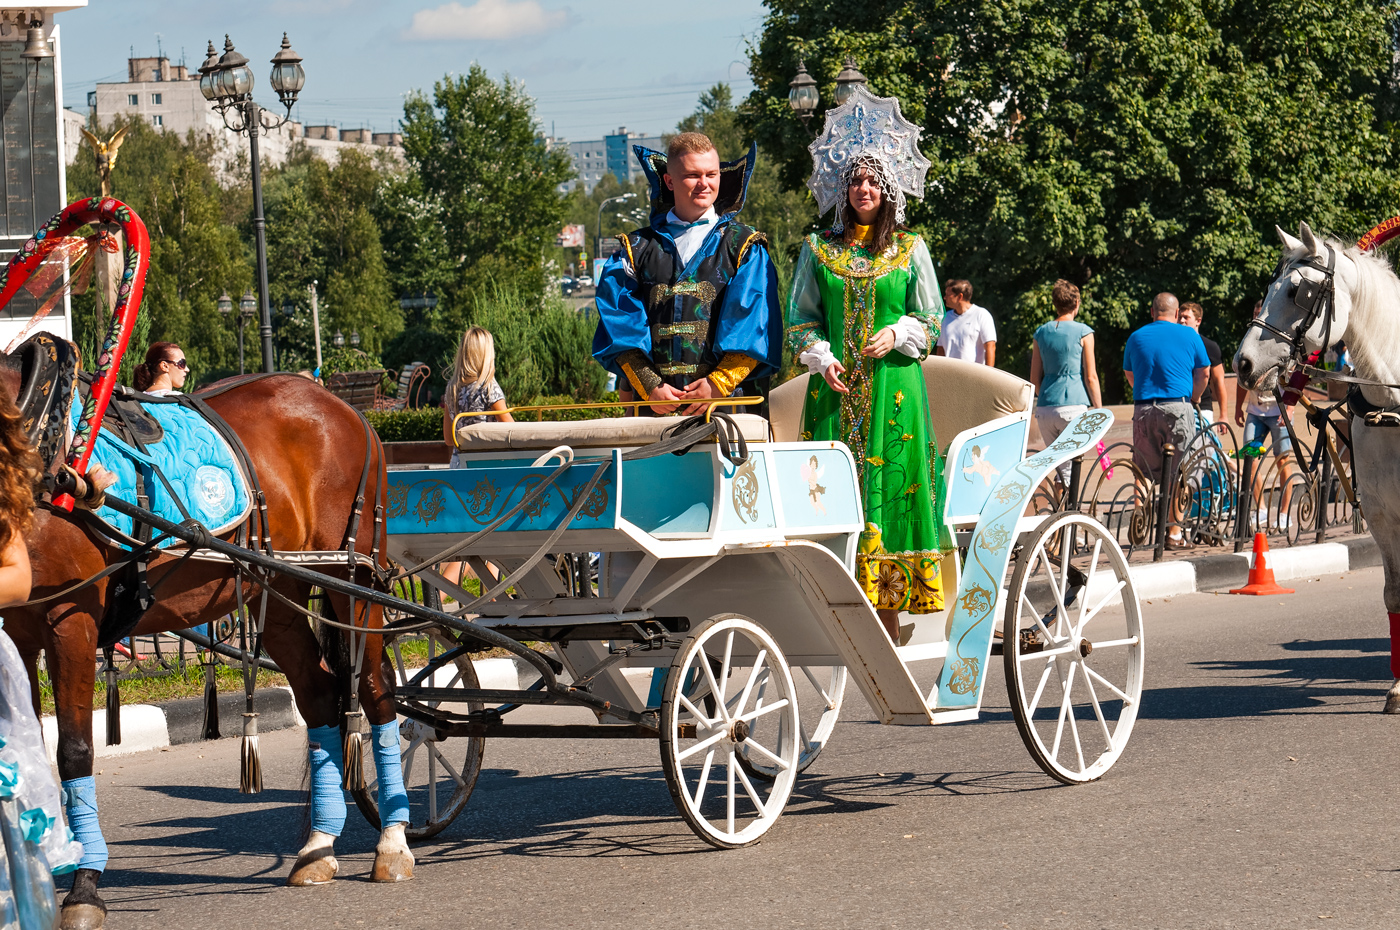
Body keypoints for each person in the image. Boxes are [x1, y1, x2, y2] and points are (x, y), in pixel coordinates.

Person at [787, 94, 946, 643]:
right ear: (843, 189)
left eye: (874, 179)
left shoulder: (909, 248)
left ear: (891, 188)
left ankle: (889, 611)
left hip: (894, 392)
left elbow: (931, 317)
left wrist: (900, 332)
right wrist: (821, 355)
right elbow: (798, 321)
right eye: (856, 180)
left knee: (890, 487)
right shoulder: (817, 248)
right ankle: (835, 606)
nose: (865, 189)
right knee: (839, 490)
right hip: (835, 389)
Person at [592, 132, 782, 417]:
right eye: (692, 175)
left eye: (711, 174)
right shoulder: (634, 250)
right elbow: (619, 326)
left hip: (728, 411)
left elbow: (755, 326)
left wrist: (717, 386)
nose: (704, 184)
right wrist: (650, 387)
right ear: (669, 181)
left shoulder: (744, 247)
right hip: (654, 414)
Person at [1123, 292, 1209, 550]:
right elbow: (1204, 373)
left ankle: (1140, 523)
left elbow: (1129, 374)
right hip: (1178, 407)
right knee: (1179, 470)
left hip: (1144, 407)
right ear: (1175, 314)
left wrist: (1145, 394)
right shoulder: (1190, 336)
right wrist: (1195, 397)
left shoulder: (1136, 337)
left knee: (1143, 469)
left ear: (1152, 312)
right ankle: (1173, 533)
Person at [1029, 279, 1101, 489]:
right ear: (1076, 303)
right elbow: (1091, 377)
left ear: (1055, 304)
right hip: (1074, 404)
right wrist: (1098, 409)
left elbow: (1034, 379)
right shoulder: (1083, 332)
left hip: (1045, 407)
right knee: (1072, 470)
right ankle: (1067, 520)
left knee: (1061, 469)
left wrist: (1049, 396)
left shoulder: (1041, 333)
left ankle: (1059, 517)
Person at [1233, 302, 1296, 529]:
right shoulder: (1248, 341)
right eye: (1255, 314)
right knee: (1250, 459)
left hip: (1279, 413)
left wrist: (1289, 409)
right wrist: (1238, 406)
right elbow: (1242, 375)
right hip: (1255, 413)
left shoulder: (1281, 342)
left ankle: (1285, 512)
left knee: (1283, 461)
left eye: (1262, 315)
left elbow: (1295, 379)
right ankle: (1260, 508)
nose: (1258, 319)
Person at [442, 326, 513, 467]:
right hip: (485, 463)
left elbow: (449, 440)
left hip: (458, 462)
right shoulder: (488, 386)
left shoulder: (452, 388)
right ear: (486, 354)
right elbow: (513, 431)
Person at [1177, 302, 1226, 423]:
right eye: (1179, 317)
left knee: (1205, 442)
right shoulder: (1173, 345)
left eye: (1186, 317)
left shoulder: (1210, 346)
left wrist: (1223, 415)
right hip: (1177, 405)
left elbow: (1219, 382)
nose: (1182, 321)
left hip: (1202, 407)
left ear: (1198, 321)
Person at [935, 279, 996, 366]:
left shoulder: (981, 314)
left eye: (948, 295)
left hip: (974, 375)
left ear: (960, 296)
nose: (944, 298)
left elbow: (990, 346)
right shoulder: (945, 318)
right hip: (950, 375)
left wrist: (989, 375)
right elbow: (941, 350)